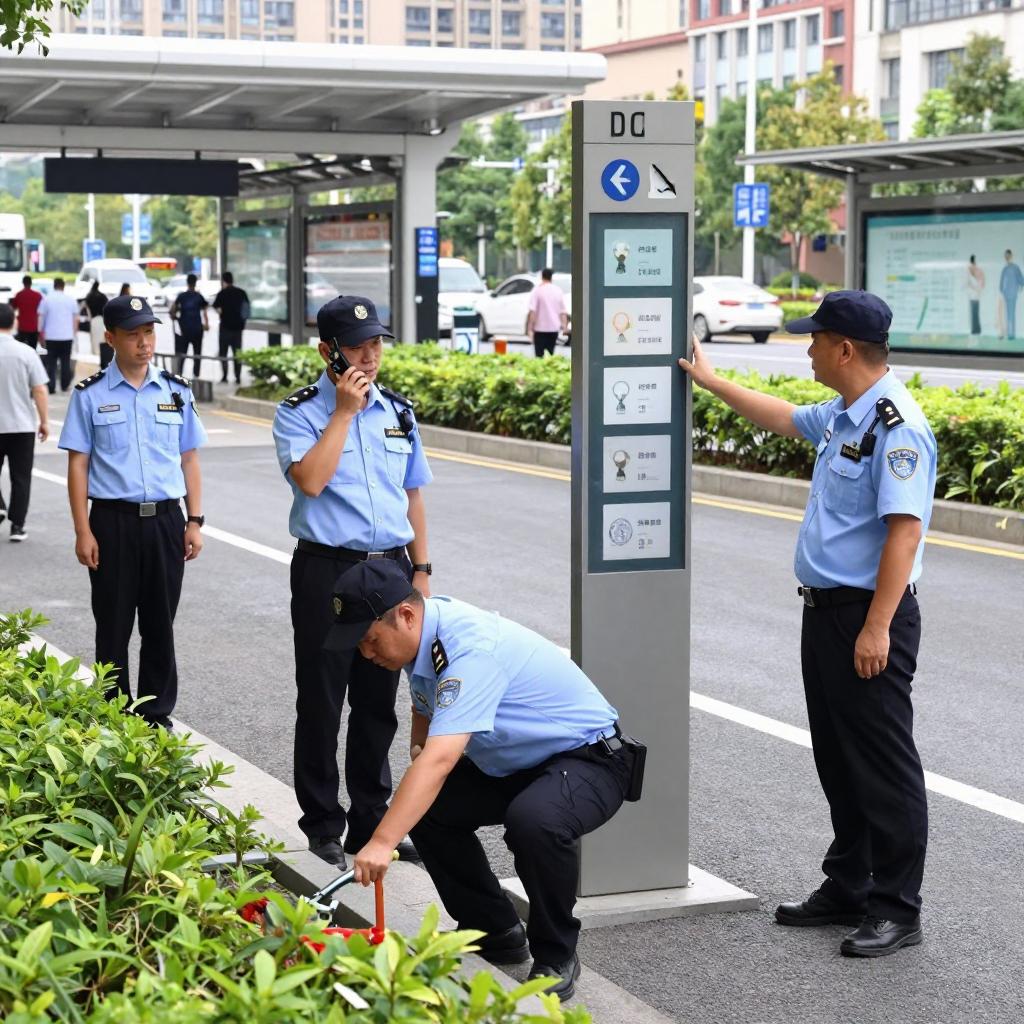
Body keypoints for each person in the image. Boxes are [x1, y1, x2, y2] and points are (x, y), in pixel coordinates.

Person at [679, 290, 935, 959]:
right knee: (839, 760)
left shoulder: (895, 424)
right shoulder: (846, 415)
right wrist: (710, 382)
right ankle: (848, 885)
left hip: (866, 616)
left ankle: (896, 908)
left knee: (883, 766)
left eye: (816, 338)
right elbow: (783, 417)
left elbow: (903, 536)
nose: (809, 347)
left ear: (844, 349)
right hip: (824, 612)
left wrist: (877, 627)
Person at [331, 560, 631, 1001]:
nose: (365, 653)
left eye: (369, 639)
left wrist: (380, 842)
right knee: (428, 807)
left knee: (534, 821)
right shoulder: (426, 639)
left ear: (406, 616)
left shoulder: (469, 648)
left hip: (589, 758)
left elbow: (440, 760)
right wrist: (420, 757)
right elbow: (425, 710)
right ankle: (495, 929)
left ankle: (556, 953)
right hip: (518, 763)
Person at [271, 295, 432, 870]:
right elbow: (311, 483)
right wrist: (342, 413)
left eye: (377, 343)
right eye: (359, 346)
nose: (371, 355)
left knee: (377, 702)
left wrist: (422, 570)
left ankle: (371, 816)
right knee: (321, 699)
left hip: (390, 569)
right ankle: (322, 823)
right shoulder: (299, 413)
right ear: (328, 352)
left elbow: (412, 495)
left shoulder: (399, 412)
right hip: (327, 568)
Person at [57, 295, 207, 731]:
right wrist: (82, 530)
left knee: (161, 623)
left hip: (165, 521)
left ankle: (156, 714)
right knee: (114, 624)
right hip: (112, 522)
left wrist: (194, 520)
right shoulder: (89, 396)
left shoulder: (176, 392)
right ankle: (112, 714)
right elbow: (78, 465)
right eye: (132, 334)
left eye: (149, 332)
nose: (144, 343)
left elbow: (190, 460)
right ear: (110, 339)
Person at [0, 302, 49, 542]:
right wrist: (44, 421)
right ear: (14, 322)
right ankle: (17, 525)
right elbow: (39, 389)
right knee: (21, 477)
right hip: (21, 426)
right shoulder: (26, 352)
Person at [38, 277, 79, 394]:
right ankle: (65, 385)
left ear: (54, 286)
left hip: (51, 336)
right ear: (63, 286)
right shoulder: (71, 300)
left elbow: (41, 318)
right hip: (67, 336)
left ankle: (51, 386)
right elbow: (75, 319)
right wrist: (74, 334)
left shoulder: (46, 300)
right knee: (65, 361)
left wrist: (40, 333)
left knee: (51, 362)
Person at [169, 273, 209, 380]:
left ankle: (180, 372)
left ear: (187, 282)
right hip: (197, 329)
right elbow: (205, 311)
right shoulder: (199, 296)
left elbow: (172, 310)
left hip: (184, 329)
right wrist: (206, 324)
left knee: (182, 352)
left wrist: (175, 317)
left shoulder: (182, 296)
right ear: (195, 283)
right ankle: (196, 374)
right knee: (197, 353)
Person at [212, 271, 249, 384]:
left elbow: (216, 307)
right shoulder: (241, 293)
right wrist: (242, 322)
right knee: (237, 354)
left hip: (225, 328)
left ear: (224, 281)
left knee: (223, 353)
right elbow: (246, 309)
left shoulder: (222, 293)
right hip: (238, 328)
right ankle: (237, 376)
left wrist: (222, 312)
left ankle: (224, 376)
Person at [526, 268, 568, 358]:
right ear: (551, 277)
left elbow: (532, 311)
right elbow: (563, 312)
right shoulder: (558, 291)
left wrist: (530, 328)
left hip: (539, 329)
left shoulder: (537, 291)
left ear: (542, 276)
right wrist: (564, 327)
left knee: (539, 356)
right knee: (550, 355)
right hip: (553, 329)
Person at [10, 275, 42, 350]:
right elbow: (42, 310)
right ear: (31, 283)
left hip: (22, 327)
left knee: (21, 349)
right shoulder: (37, 295)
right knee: (33, 350)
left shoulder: (19, 295)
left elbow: (13, 308)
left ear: (23, 283)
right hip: (34, 326)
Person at [998, 249, 1024, 340]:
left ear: (1011, 256)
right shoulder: (1005, 269)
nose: (1007, 257)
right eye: (1006, 256)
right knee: (1009, 314)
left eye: (1008, 255)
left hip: (1012, 294)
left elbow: (1021, 279)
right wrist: (1002, 291)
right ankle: (1010, 333)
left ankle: (1011, 334)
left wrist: (1021, 286)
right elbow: (1001, 284)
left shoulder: (1015, 268)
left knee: (1011, 314)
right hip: (1007, 294)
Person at [82, 280, 108, 361]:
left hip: (93, 319)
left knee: (94, 337)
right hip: (101, 319)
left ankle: (94, 352)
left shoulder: (89, 296)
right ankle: (100, 352)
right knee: (101, 337)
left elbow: (86, 308)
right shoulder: (103, 296)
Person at [966, 255, 984, 336]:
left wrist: (975, 288)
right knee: (975, 312)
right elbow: (980, 282)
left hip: (974, 294)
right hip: (974, 294)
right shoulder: (973, 270)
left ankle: (976, 330)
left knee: (974, 312)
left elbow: (978, 283)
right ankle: (976, 329)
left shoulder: (975, 270)